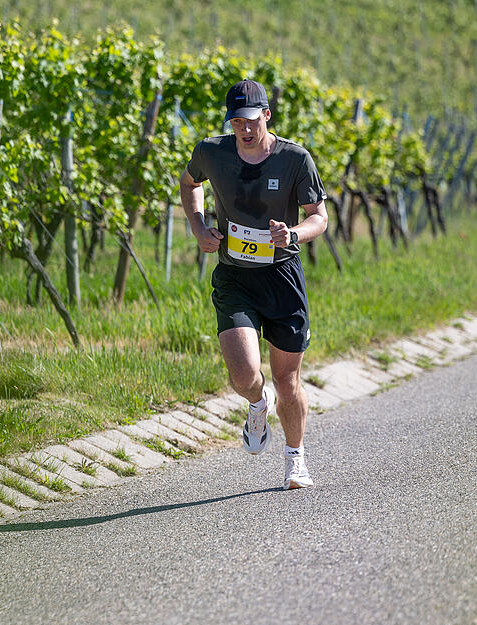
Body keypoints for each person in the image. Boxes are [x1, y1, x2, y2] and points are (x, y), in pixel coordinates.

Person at [179, 78, 328, 489]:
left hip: (282, 277)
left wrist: (293, 233)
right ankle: (257, 406)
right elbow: (188, 183)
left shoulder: (295, 159)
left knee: (287, 380)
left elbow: (320, 216)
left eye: (251, 120)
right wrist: (198, 225)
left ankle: (295, 459)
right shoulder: (212, 152)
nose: (244, 129)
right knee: (245, 376)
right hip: (235, 276)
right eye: (236, 121)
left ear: (266, 115)